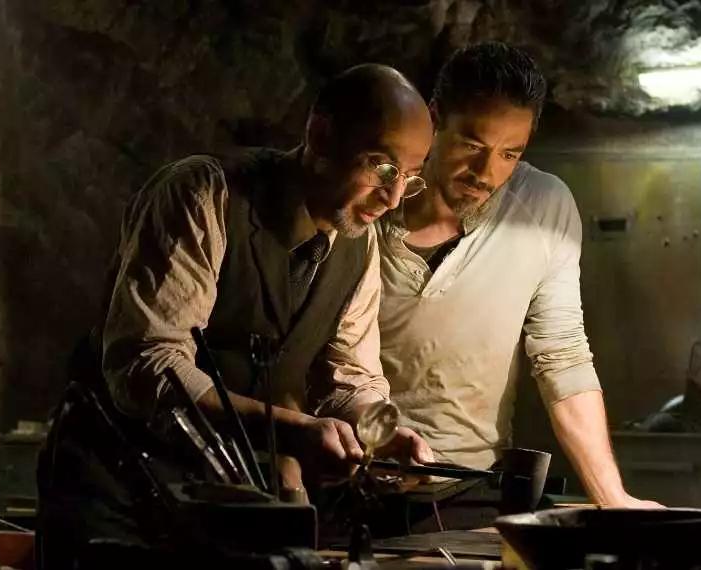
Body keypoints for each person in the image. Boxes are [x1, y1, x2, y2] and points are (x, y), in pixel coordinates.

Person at [37, 64, 435, 567]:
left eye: (410, 178)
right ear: (321, 135)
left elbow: (347, 375)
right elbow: (150, 367)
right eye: (382, 168)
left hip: (224, 500)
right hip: (120, 490)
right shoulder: (204, 193)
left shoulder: (360, 244)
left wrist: (380, 429)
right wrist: (294, 430)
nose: (394, 198)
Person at [376, 42, 662, 516]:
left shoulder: (543, 207)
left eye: (509, 153)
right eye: (472, 146)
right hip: (352, 479)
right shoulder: (369, 200)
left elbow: (562, 355)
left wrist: (612, 498)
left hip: (467, 489)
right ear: (434, 117)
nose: (486, 173)